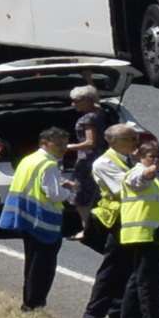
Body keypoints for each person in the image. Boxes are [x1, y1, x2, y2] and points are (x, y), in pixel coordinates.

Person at [0, 126, 75, 313]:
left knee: (32, 263)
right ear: (44, 143)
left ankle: (29, 302)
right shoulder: (48, 164)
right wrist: (70, 191)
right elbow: (54, 194)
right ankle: (35, 303)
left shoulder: (30, 159)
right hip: (42, 218)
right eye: (58, 144)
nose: (63, 148)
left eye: (65, 144)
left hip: (25, 214)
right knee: (43, 266)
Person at [80, 124, 141, 318]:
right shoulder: (104, 163)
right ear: (113, 142)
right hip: (119, 221)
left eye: (135, 138)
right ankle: (92, 316)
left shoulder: (134, 159)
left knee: (132, 270)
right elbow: (125, 188)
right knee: (112, 269)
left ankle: (120, 317)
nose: (135, 143)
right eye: (130, 139)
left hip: (138, 220)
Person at [117, 140, 159, 318]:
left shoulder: (158, 180)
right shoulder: (136, 172)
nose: (156, 160)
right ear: (140, 157)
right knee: (149, 283)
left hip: (156, 235)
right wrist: (154, 170)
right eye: (151, 156)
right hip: (144, 234)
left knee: (139, 280)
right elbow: (141, 178)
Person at [65, 85, 112, 246]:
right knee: (97, 194)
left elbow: (90, 142)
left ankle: (86, 229)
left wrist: (68, 147)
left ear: (87, 101)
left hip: (87, 160)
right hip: (101, 157)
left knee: (80, 196)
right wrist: (88, 79)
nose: (73, 104)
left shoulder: (88, 119)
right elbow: (94, 96)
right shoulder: (100, 112)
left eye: (76, 101)